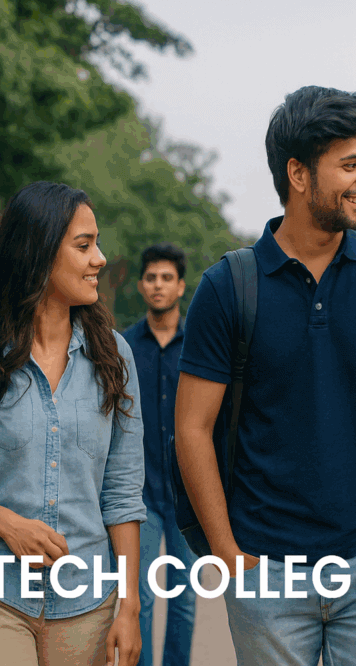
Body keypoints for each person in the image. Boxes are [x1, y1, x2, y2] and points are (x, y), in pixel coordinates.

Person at [174, 86, 356, 666]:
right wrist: (226, 551)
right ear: (298, 174)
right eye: (350, 165)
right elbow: (192, 428)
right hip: (265, 570)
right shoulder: (227, 287)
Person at [0, 181, 145, 666]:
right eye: (83, 246)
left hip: (89, 603)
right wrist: (8, 525)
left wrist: (130, 607)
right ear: (38, 255)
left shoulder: (117, 358)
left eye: (96, 244)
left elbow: (123, 493)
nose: (100, 259)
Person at [122, 243, 197, 666]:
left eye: (167, 277)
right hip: (141, 495)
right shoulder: (125, 345)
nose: (158, 285)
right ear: (140, 285)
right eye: (151, 277)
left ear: (181, 286)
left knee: (185, 598)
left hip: (189, 497)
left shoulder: (198, 344)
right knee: (143, 597)